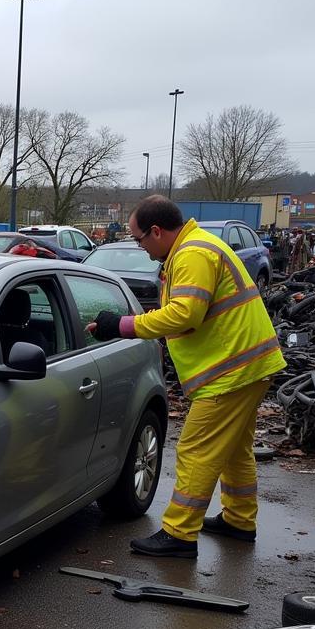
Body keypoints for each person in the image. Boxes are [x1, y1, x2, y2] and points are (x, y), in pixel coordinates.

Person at [88, 195, 286, 559]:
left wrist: (122, 325)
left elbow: (184, 315)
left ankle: (179, 534)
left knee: (196, 449)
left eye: (138, 239)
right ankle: (240, 520)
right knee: (234, 450)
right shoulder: (195, 248)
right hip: (247, 366)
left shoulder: (193, 254)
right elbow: (187, 310)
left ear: (157, 231)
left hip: (231, 371)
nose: (139, 246)